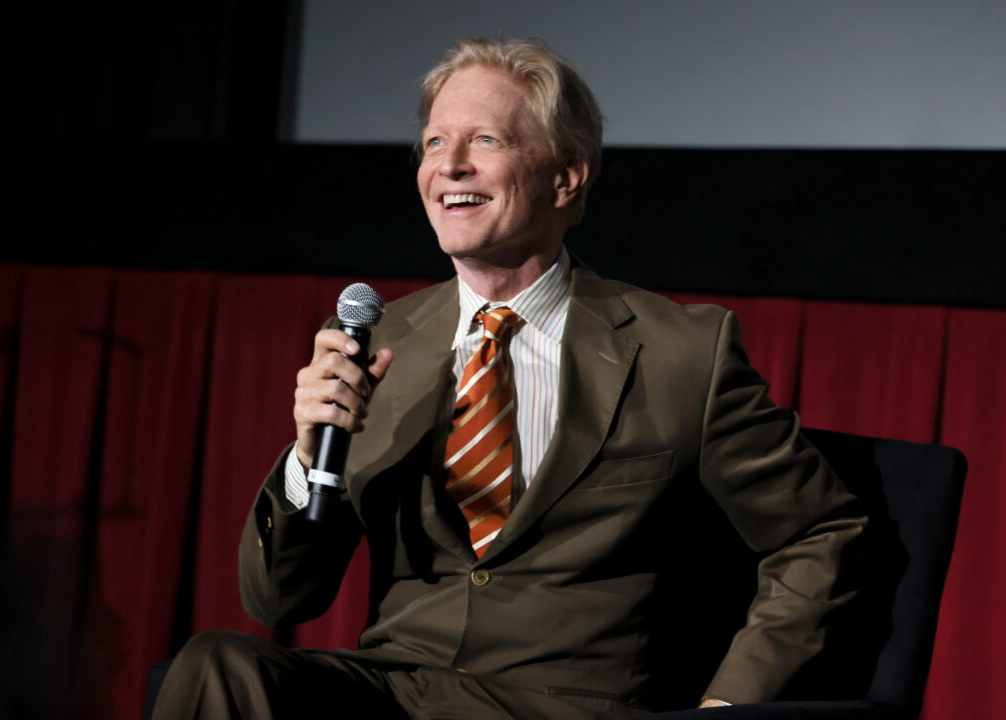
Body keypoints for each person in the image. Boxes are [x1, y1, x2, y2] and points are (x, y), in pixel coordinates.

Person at [153, 38, 866, 719]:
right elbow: (278, 599)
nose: (450, 165)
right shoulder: (379, 343)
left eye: (484, 141)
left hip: (563, 705)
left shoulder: (680, 350)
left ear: (565, 175)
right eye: (435, 143)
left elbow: (820, 529)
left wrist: (729, 706)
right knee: (218, 664)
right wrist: (309, 460)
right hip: (395, 689)